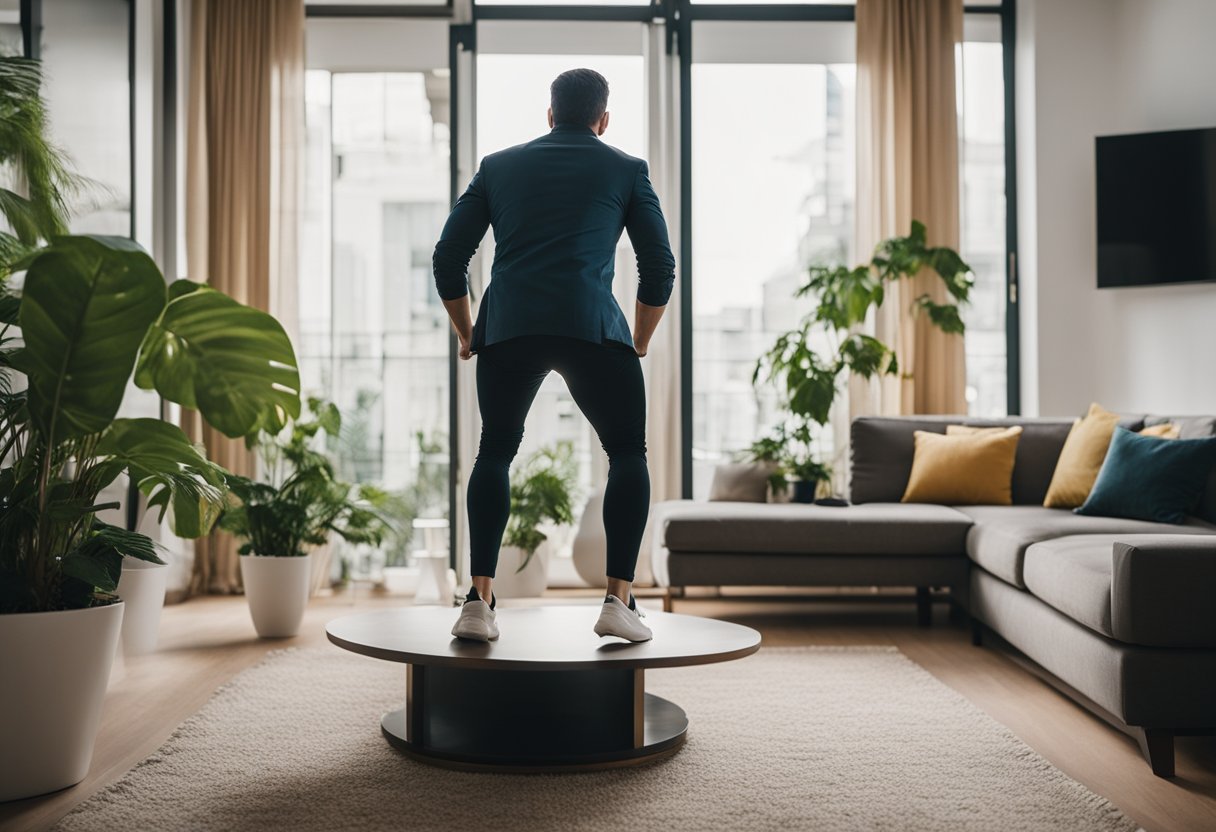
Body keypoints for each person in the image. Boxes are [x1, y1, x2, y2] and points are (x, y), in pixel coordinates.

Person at [433, 68, 675, 644]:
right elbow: (659, 268)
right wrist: (637, 340)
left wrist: (468, 333)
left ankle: (479, 599)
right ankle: (618, 599)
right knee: (626, 452)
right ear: (603, 119)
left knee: (494, 453)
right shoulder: (625, 168)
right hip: (591, 324)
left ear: (549, 114)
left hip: (509, 326)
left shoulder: (498, 167)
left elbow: (448, 259)